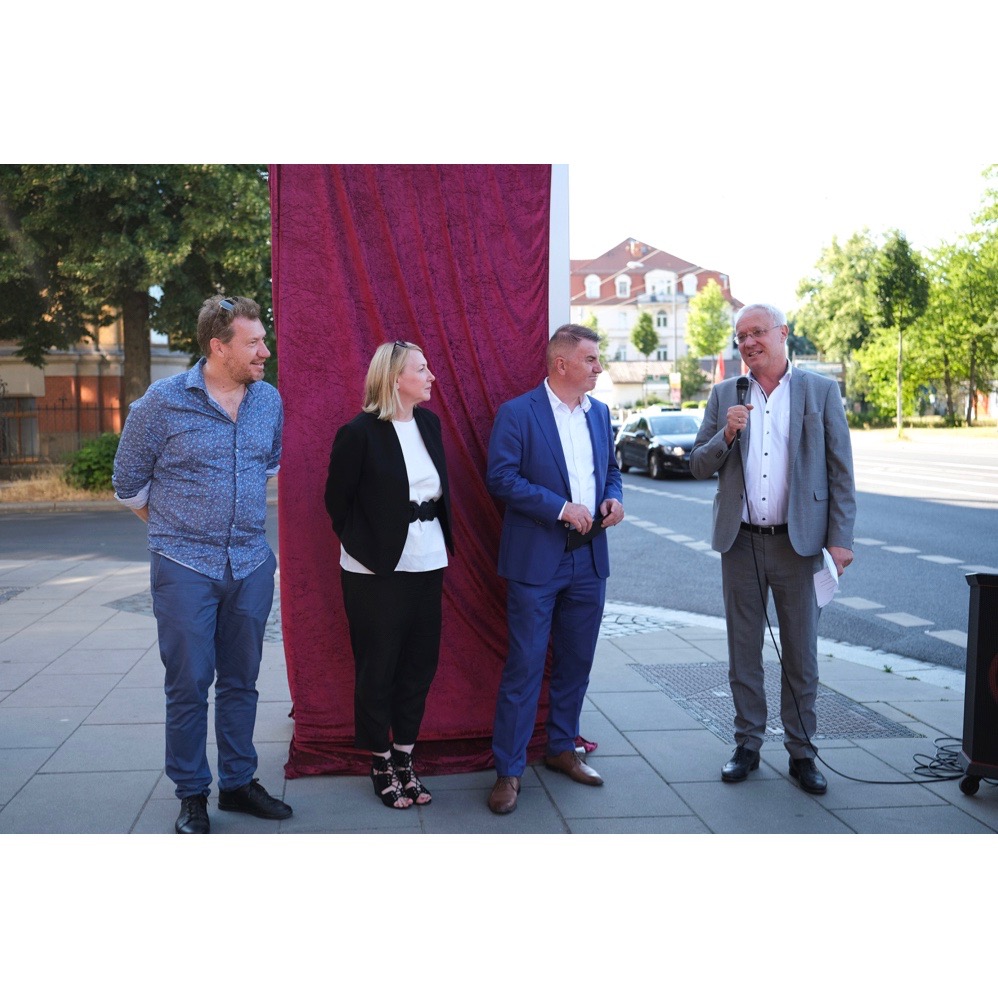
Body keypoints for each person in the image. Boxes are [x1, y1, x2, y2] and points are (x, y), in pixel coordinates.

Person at [113, 294, 292, 833]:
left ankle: (238, 783)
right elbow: (128, 486)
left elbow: (271, 467)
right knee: (189, 682)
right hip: (183, 566)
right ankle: (192, 792)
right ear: (219, 347)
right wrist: (178, 533)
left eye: (263, 339)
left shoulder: (269, 402)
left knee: (242, 679)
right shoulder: (160, 404)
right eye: (253, 342)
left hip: (251, 563)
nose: (265, 350)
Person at [690, 303, 856, 795]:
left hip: (798, 544)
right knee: (743, 650)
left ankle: (803, 753)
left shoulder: (820, 391)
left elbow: (840, 471)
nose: (748, 343)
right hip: (740, 542)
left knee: (801, 654)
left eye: (757, 332)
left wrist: (840, 540)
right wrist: (728, 432)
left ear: (783, 334)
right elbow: (698, 464)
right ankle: (747, 744)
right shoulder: (725, 395)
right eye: (740, 336)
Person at [485, 324, 624, 815]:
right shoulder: (518, 413)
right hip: (537, 559)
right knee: (524, 665)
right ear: (561, 364)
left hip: (590, 557)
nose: (599, 367)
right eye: (591, 359)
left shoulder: (601, 413)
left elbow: (611, 469)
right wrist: (561, 507)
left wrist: (614, 497)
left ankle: (563, 748)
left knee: (576, 661)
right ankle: (509, 771)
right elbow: (500, 478)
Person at [324, 340, 453, 809]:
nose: (431, 375)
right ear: (396, 378)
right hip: (374, 569)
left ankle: (405, 756)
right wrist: (368, 549)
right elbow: (336, 503)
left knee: (419, 664)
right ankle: (379, 760)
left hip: (428, 559)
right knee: (378, 666)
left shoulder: (430, 425)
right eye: (422, 368)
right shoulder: (358, 433)